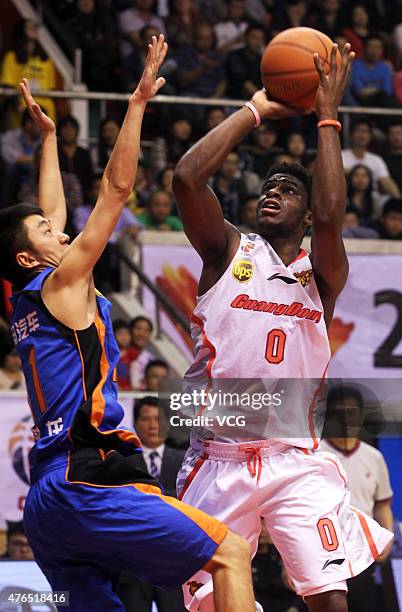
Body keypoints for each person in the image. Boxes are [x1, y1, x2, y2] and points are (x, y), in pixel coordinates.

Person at [0, 38, 255, 612]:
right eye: (46, 232)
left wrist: (48, 142)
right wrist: (137, 103)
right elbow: (115, 190)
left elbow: (55, 217)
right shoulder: (65, 281)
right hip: (88, 481)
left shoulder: (27, 301)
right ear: (29, 257)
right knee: (231, 553)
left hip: (47, 504)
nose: (60, 231)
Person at [172, 42, 393, 612]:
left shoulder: (322, 272)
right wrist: (255, 111)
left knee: (329, 598)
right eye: (268, 187)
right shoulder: (227, 251)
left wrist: (326, 116)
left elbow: (330, 216)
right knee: (216, 603)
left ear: (305, 208)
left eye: (287, 189)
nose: (273, 192)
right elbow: (188, 180)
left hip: (295, 457)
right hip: (220, 455)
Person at [320, 385, 394, 612]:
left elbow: (382, 505)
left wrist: (387, 537)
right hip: (323, 553)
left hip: (362, 555)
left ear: (361, 415)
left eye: (350, 412)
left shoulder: (374, 457)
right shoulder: (314, 457)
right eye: (337, 412)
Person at [116, 396, 187, 612]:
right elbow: (120, 502)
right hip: (132, 560)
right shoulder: (120, 461)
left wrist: (147, 498)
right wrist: (167, 499)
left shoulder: (186, 458)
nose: (153, 425)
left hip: (175, 558)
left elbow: (190, 498)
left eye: (158, 419)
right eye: (146, 419)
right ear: (135, 424)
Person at [0, 18, 57, 124]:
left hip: (46, 110)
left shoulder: (46, 60)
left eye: (35, 27)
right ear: (21, 30)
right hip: (22, 109)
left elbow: (51, 90)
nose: (34, 29)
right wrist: (19, 108)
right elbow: (8, 87)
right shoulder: (11, 57)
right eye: (30, 27)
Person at [341, 120, 400, 204]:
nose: (362, 135)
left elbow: (386, 181)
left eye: (366, 131)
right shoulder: (340, 155)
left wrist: (399, 200)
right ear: (350, 134)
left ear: (370, 136)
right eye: (358, 131)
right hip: (345, 198)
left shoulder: (376, 159)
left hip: (372, 201)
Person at [0, 108, 40, 208]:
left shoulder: (43, 139)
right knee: (10, 169)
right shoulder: (11, 136)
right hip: (15, 178)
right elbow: (8, 157)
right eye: (38, 123)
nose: (42, 126)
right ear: (28, 124)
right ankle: (3, 208)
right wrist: (34, 159)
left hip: (34, 179)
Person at [57, 114, 94, 202]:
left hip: (82, 196)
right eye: (65, 128)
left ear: (77, 131)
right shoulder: (55, 151)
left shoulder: (84, 153)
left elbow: (89, 176)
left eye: (72, 128)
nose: (68, 131)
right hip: (59, 192)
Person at [225, 24, 265, 99]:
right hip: (233, 101)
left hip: (256, 102)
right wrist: (263, 101)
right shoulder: (234, 57)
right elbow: (245, 83)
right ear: (245, 38)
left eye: (261, 39)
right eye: (254, 37)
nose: (257, 42)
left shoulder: (263, 60)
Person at [382, 122, 402, 196]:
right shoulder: (380, 159)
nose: (396, 137)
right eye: (392, 134)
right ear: (387, 137)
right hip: (388, 197)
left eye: (399, 133)